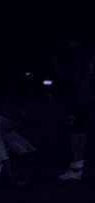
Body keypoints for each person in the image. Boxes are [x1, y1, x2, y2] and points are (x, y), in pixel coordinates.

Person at [54, 36, 94, 181]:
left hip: (76, 99)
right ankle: (78, 166)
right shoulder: (86, 55)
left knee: (74, 132)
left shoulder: (77, 56)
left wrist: (59, 71)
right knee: (80, 131)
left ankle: (76, 167)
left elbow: (74, 79)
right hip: (85, 98)